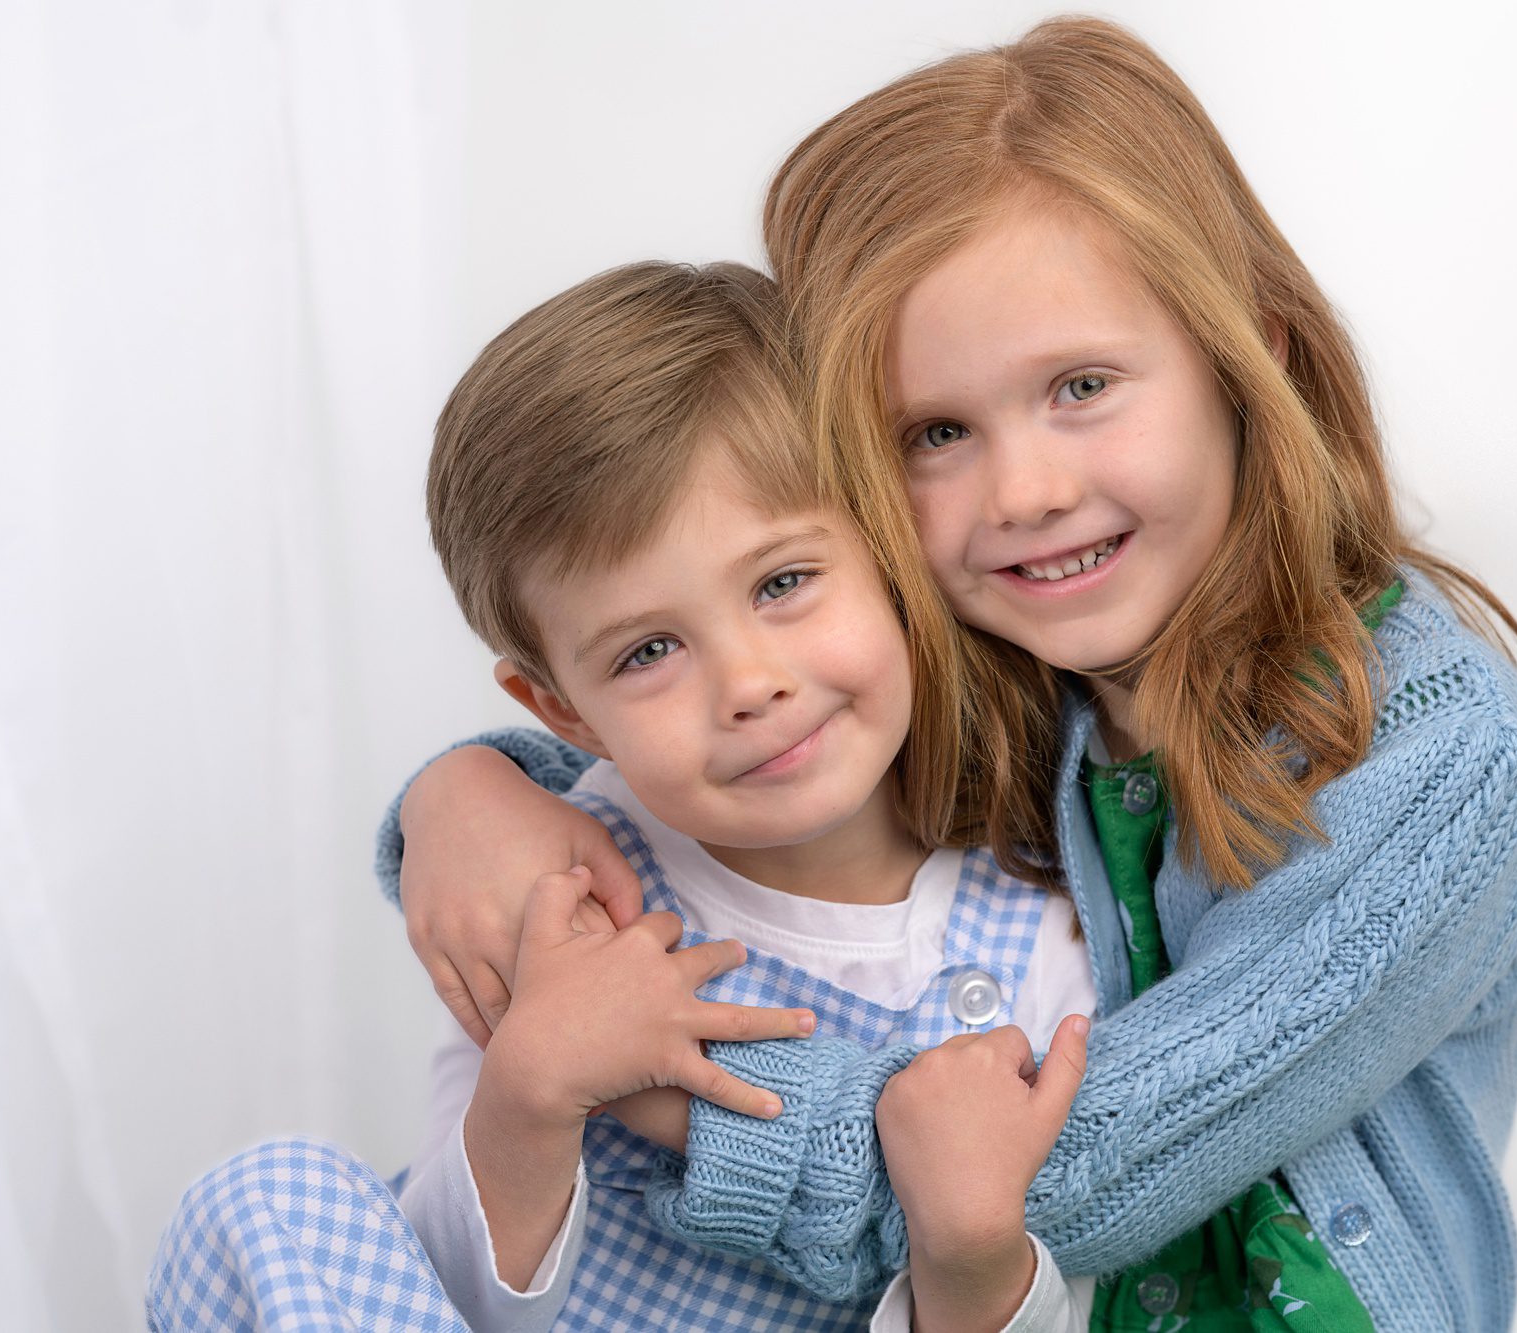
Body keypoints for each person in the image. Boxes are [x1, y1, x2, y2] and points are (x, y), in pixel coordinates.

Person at [388, 16, 1517, 1333]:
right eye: (935, 431)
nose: (1027, 493)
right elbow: (725, 748)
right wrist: (466, 795)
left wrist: (645, 1084)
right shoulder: (1017, 660)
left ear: (1252, 354)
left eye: (1082, 385)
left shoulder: (1443, 762)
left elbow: (1051, 1177)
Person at [149, 260, 1099, 1333]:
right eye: (648, 650)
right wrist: (531, 1092)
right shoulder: (571, 885)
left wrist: (970, 1259)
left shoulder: (1046, 922)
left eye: (782, 582)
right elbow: (439, 1300)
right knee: (268, 1197)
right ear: (563, 712)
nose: (748, 685)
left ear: (888, 550)